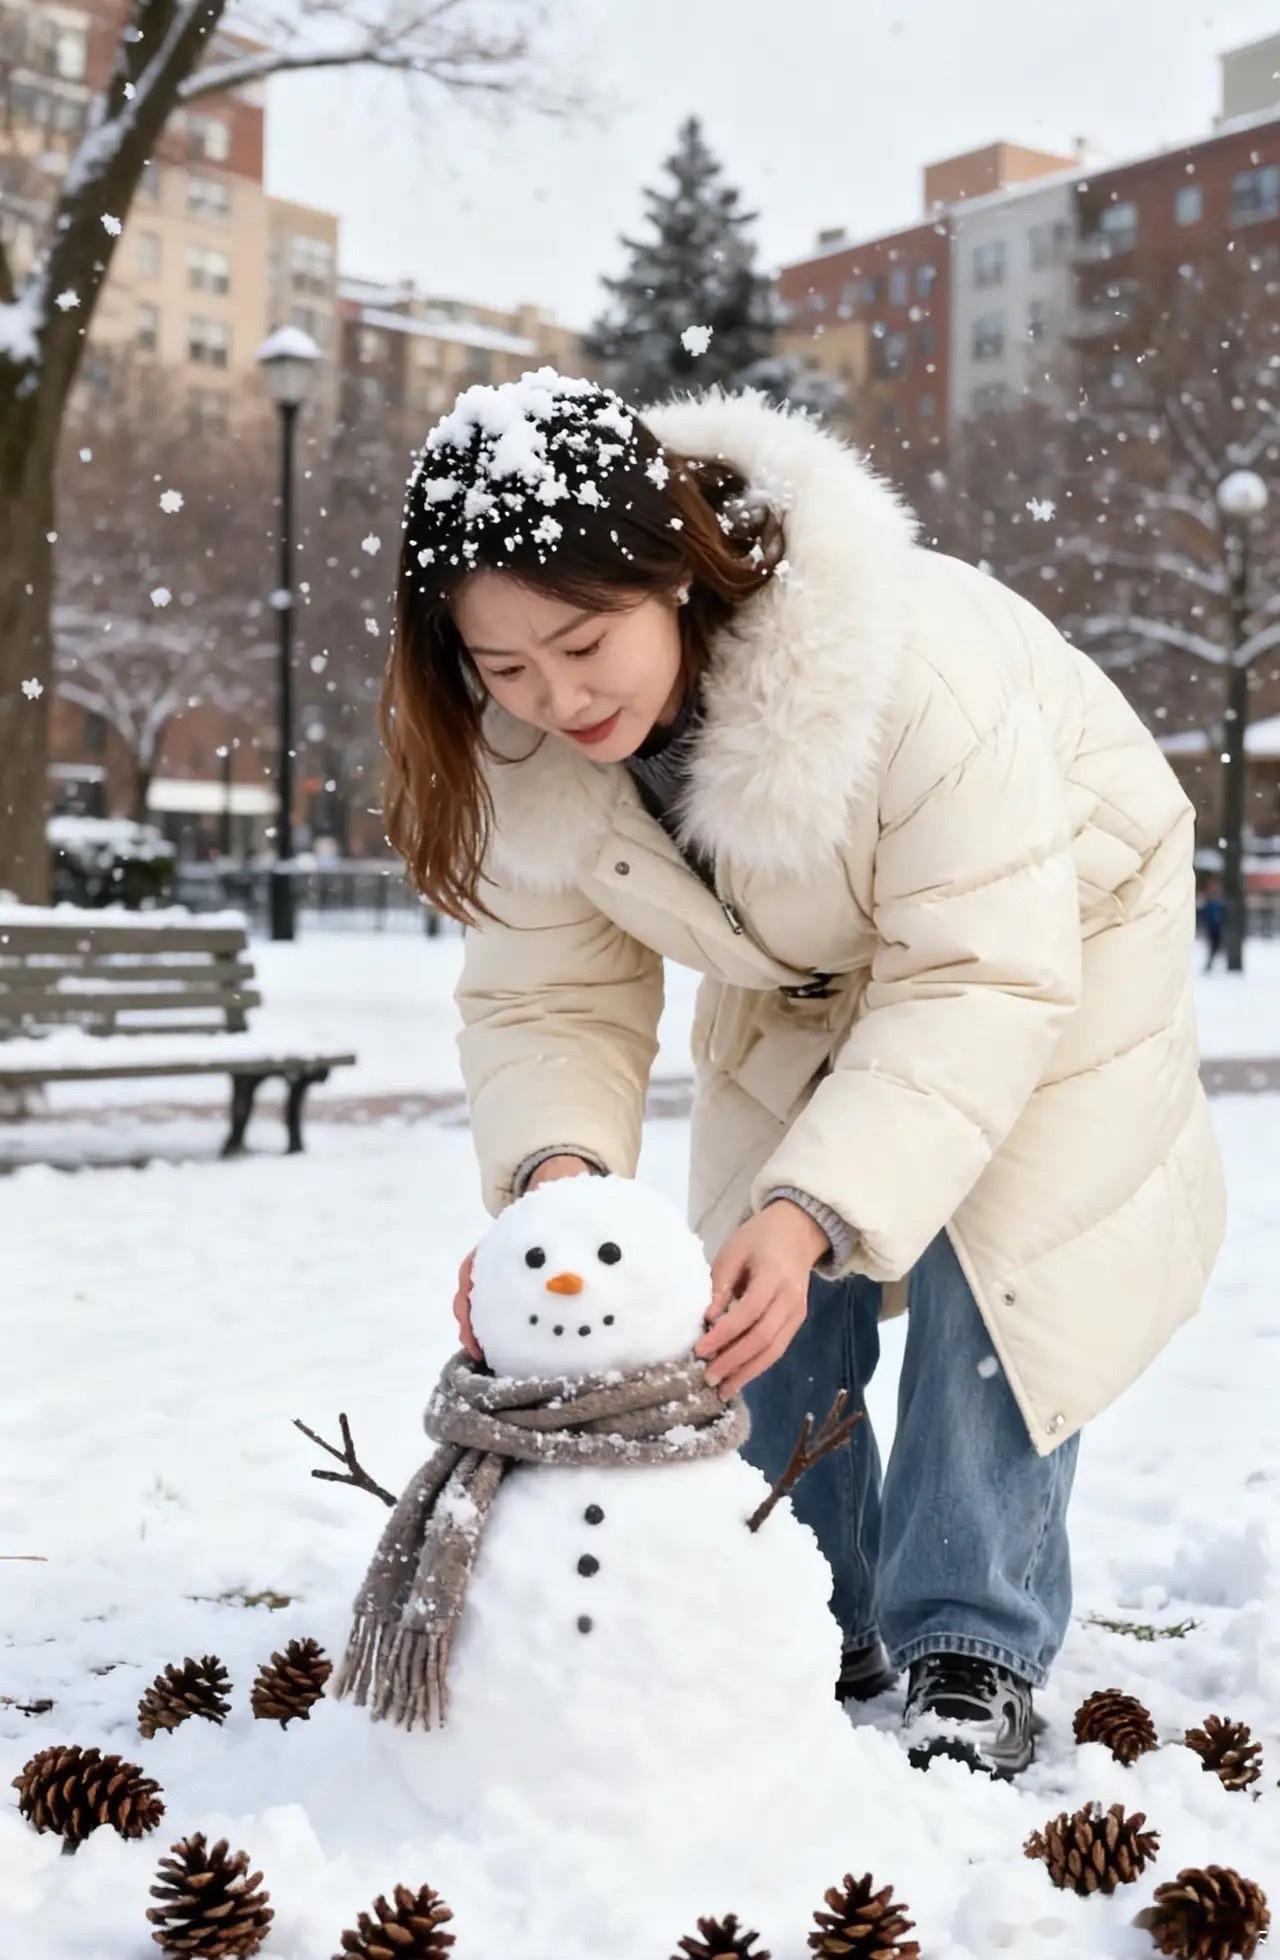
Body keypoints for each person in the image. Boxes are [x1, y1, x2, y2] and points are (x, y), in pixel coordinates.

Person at [380, 369, 1226, 1780]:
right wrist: (558, 1192)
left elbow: (978, 978)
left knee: (989, 1260)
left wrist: (824, 1201)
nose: (555, 698)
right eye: (505, 668)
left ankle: (973, 1634)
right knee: (745, 1284)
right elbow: (549, 990)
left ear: (675, 577)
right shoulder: (528, 737)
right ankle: (808, 1603)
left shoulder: (907, 668)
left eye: (586, 645)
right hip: (810, 954)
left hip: (1047, 924)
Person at [1199, 878, 1226, 972]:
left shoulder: (1220, 899)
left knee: (1217, 945)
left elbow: (1223, 914)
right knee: (1212, 945)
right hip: (1211, 927)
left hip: (1218, 927)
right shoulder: (1207, 899)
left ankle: (1212, 962)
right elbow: (1203, 913)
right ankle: (1209, 963)